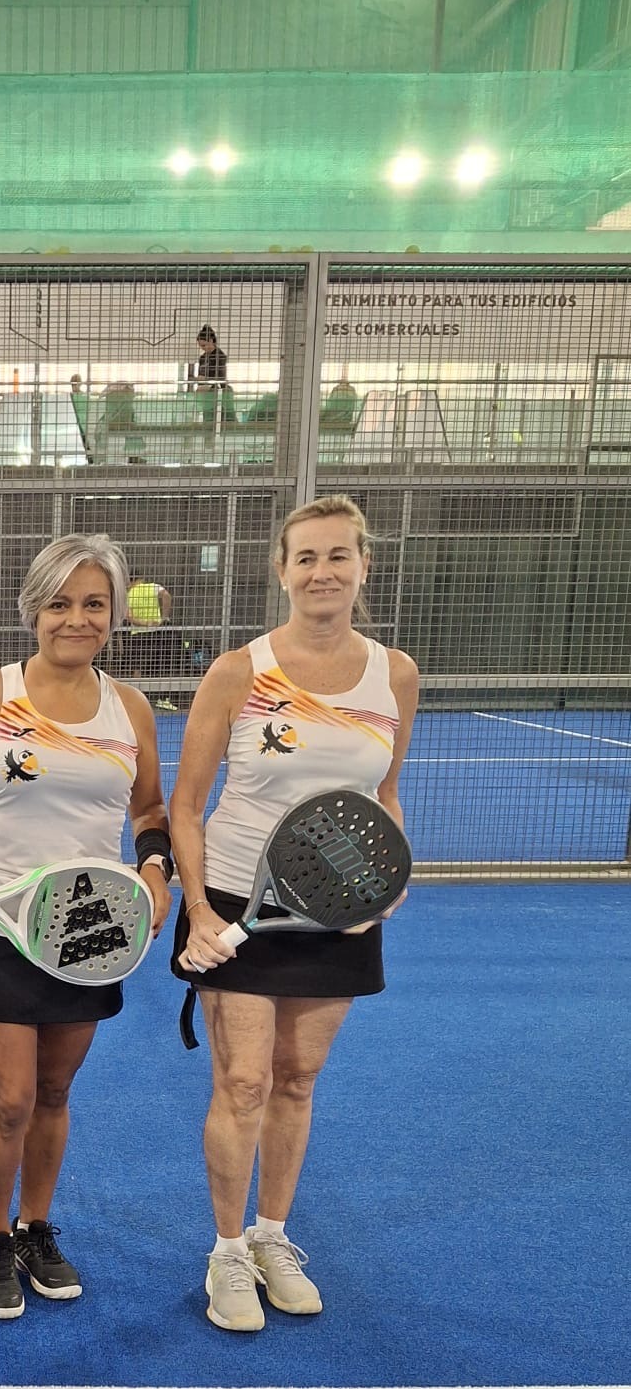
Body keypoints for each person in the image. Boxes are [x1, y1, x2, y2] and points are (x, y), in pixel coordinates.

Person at [0, 534, 174, 1321]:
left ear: (114, 615)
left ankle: (34, 1228)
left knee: (54, 1090)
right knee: (12, 1098)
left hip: (91, 933)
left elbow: (150, 809)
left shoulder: (130, 709)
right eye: (60, 603)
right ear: (34, 611)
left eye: (93, 604)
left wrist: (157, 870)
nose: (76, 619)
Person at [168, 494, 418, 1334]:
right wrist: (199, 911)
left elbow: (384, 796)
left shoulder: (396, 675)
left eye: (338, 555)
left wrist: (384, 879)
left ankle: (273, 1237)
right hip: (236, 898)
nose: (323, 572)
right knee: (243, 1081)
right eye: (306, 557)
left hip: (338, 911)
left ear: (363, 566)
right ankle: (227, 1252)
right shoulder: (239, 672)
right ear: (282, 571)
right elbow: (187, 806)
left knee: (298, 1078)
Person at [187, 326, 233, 427]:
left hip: (218, 393)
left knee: (220, 421)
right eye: (201, 346)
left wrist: (206, 381)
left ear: (211, 341)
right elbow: (202, 375)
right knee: (208, 421)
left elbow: (219, 376)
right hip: (206, 394)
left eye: (204, 345)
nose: (202, 348)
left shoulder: (219, 356)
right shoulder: (203, 358)